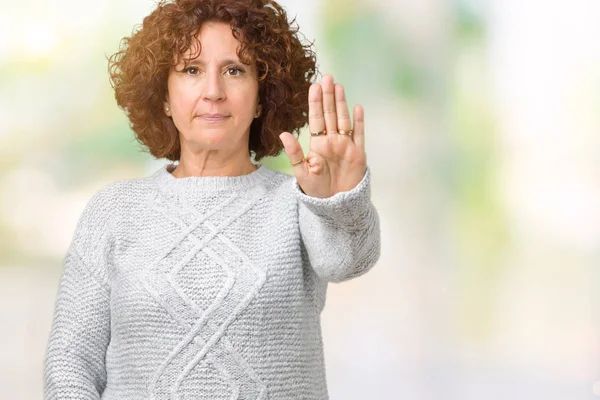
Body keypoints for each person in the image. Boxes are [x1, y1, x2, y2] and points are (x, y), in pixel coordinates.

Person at [43, 0, 381, 398]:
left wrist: (339, 201)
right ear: (163, 95)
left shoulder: (298, 202)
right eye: (191, 70)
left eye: (235, 71)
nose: (213, 92)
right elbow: (70, 363)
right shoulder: (115, 211)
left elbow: (347, 261)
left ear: (261, 96)